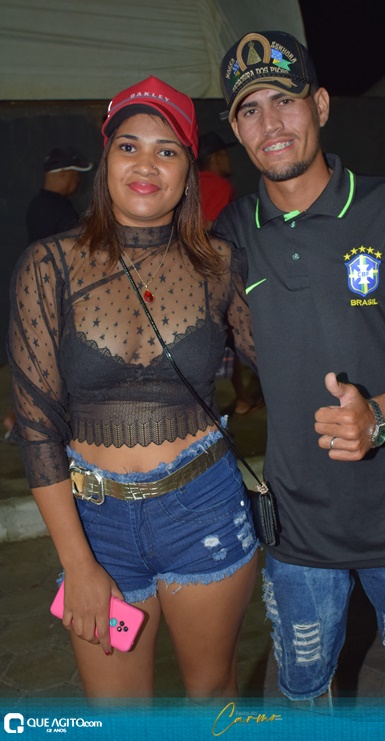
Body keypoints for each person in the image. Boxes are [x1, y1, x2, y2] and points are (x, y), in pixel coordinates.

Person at [214, 31, 385, 708]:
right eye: (250, 110)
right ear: (237, 131)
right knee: (302, 693)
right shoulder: (231, 235)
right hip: (298, 526)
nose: (270, 123)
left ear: (322, 105)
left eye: (285, 100)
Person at [8, 75, 259, 699]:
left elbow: (285, 363)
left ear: (188, 170)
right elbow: (36, 427)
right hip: (96, 525)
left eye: (167, 150)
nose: (146, 164)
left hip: (203, 506)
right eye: (129, 146)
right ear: (106, 161)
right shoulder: (48, 265)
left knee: (211, 698)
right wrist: (78, 563)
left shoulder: (220, 263)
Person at [198, 131, 262, 416]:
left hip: (184, 277)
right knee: (240, 335)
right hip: (214, 273)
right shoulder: (219, 185)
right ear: (215, 158)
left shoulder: (188, 184)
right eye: (225, 154)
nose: (229, 160)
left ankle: (241, 397)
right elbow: (216, 232)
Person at [26, 146, 93, 242]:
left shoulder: (35, 204)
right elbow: (75, 244)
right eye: (76, 174)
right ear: (63, 174)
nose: (78, 180)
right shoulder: (61, 207)